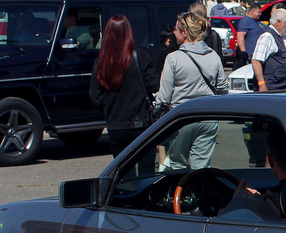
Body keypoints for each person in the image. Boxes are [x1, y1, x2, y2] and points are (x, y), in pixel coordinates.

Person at [155, 10, 230, 171]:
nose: (173, 33)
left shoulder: (173, 58)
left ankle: (180, 194)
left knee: (177, 164)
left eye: (176, 29)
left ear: (184, 33)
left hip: (182, 116)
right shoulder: (213, 56)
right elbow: (223, 89)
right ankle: (200, 193)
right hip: (208, 116)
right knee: (202, 166)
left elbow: (164, 96)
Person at [89, 14, 159, 161]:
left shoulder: (101, 62)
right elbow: (154, 85)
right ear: (129, 34)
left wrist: (108, 109)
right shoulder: (140, 56)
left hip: (116, 125)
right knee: (146, 171)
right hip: (142, 122)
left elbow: (95, 96)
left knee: (123, 172)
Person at [251, 7, 286, 92]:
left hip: (283, 88)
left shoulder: (282, 38)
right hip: (272, 89)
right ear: (278, 22)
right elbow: (256, 61)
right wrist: (262, 84)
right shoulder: (267, 36)